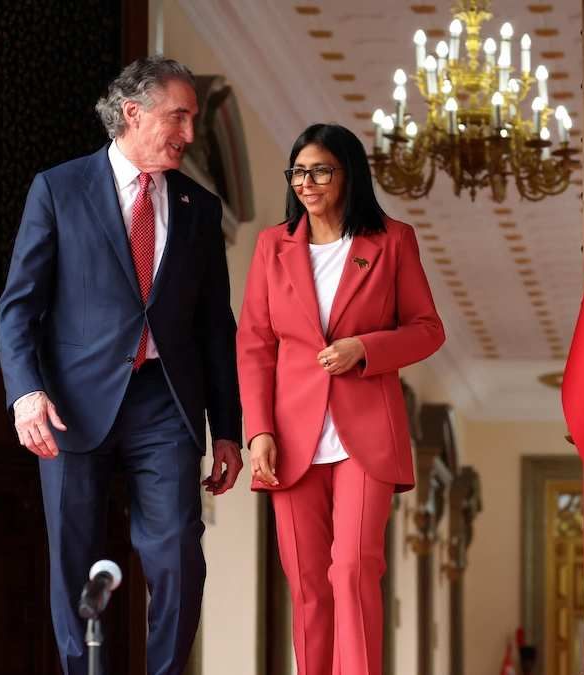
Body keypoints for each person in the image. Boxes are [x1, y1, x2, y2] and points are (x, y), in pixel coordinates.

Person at [0, 55, 243, 675]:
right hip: (72, 405)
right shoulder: (58, 188)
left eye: (191, 118)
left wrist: (230, 428)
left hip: (166, 401)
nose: (189, 133)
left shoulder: (199, 207)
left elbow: (217, 327)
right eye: (178, 116)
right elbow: (19, 305)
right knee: (73, 558)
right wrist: (26, 393)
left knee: (178, 553)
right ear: (132, 113)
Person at [236, 123, 444, 675]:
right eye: (299, 172)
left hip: (366, 436)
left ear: (350, 173)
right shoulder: (271, 246)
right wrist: (258, 431)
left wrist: (364, 348)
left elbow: (428, 329)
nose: (307, 182)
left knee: (352, 568)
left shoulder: (391, 241)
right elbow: (254, 344)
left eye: (321, 170)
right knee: (306, 583)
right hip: (290, 437)